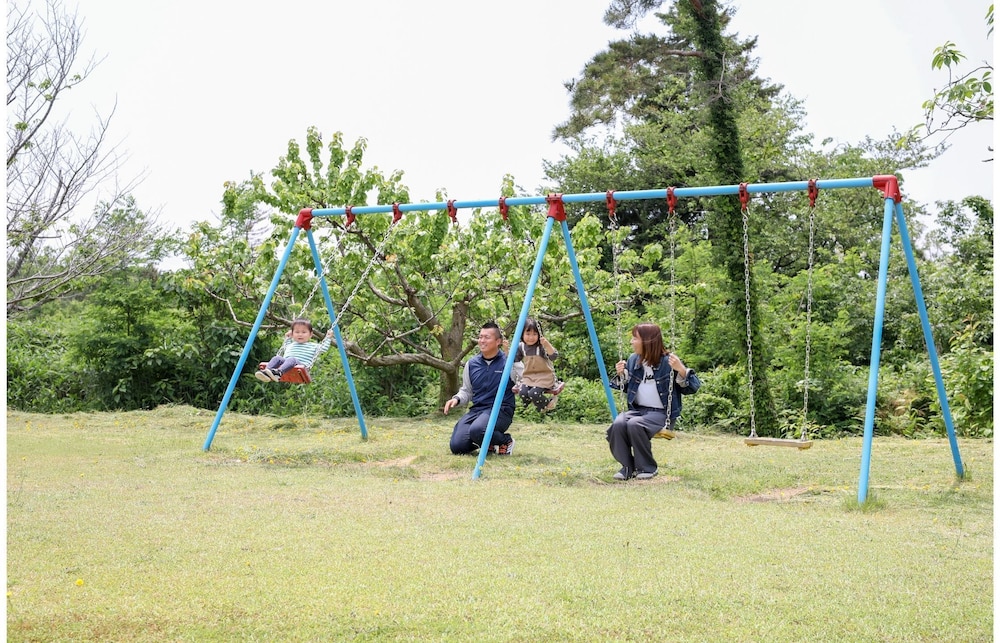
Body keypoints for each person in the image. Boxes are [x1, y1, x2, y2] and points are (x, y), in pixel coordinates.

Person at [607, 323, 701, 481]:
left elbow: (692, 387)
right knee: (617, 425)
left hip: (662, 414)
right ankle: (628, 467)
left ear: (647, 341)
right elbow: (627, 387)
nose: (631, 342)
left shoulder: (668, 362)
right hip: (637, 410)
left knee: (635, 424)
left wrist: (681, 369)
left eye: (635, 338)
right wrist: (621, 375)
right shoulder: (633, 360)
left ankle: (647, 468)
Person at [443, 321, 517, 455]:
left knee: (478, 430)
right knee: (457, 446)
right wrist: (457, 399)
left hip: (501, 410)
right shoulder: (471, 364)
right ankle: (486, 442)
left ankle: (505, 441)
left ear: (498, 341)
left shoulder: (509, 362)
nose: (482, 341)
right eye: (480, 337)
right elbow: (466, 391)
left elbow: (522, 378)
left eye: (487, 337)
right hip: (477, 411)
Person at [255, 318, 334, 382]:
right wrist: (288, 338)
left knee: (292, 359)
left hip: (300, 365)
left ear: (310, 335)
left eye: (304, 332)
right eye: (297, 332)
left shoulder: (313, 346)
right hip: (287, 363)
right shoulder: (290, 344)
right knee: (277, 358)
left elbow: (324, 349)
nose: (300, 334)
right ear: (292, 334)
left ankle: (278, 372)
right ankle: (266, 372)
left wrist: (328, 338)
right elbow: (285, 347)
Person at [512, 318, 565, 412]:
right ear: (522, 334)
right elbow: (514, 360)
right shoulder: (521, 347)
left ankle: (547, 405)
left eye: (534, 334)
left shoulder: (541, 347)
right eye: (528, 334)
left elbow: (553, 356)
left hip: (544, 378)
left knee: (534, 393)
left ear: (539, 335)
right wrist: (506, 349)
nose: (531, 337)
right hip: (529, 377)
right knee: (523, 393)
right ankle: (533, 406)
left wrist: (547, 344)